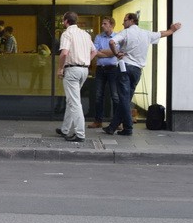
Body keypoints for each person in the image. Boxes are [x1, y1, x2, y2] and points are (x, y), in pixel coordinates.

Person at [103, 13, 182, 136]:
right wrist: (173, 29)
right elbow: (162, 34)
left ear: (132, 21)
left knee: (124, 99)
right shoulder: (146, 33)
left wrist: (117, 53)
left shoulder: (126, 32)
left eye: (125, 21)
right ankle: (112, 127)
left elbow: (112, 42)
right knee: (126, 98)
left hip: (124, 67)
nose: (123, 23)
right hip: (137, 70)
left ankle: (128, 128)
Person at [55, 12, 98, 142]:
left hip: (72, 70)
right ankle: (65, 129)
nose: (63, 22)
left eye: (63, 20)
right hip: (84, 70)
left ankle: (80, 133)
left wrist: (60, 68)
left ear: (66, 21)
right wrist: (86, 60)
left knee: (74, 102)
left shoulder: (67, 33)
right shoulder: (85, 34)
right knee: (71, 100)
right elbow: (94, 51)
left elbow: (64, 53)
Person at [89, 16, 120, 129]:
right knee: (98, 95)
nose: (102, 25)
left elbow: (116, 52)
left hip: (113, 69)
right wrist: (111, 52)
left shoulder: (117, 37)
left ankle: (117, 122)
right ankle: (98, 121)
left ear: (111, 25)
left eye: (105, 23)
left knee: (115, 96)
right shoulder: (98, 37)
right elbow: (95, 52)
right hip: (100, 69)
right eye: (102, 23)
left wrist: (105, 51)